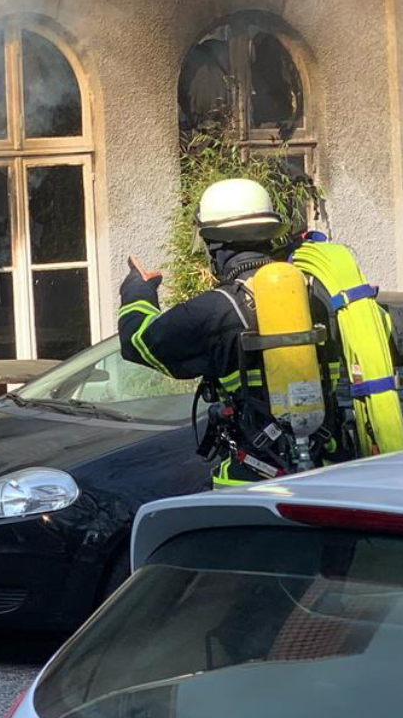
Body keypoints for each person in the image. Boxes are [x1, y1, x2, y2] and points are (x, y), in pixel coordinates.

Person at [119, 177, 371, 486]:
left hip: (253, 484)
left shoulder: (213, 310)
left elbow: (138, 343)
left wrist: (137, 291)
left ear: (214, 244)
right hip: (334, 474)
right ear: (269, 233)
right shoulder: (323, 294)